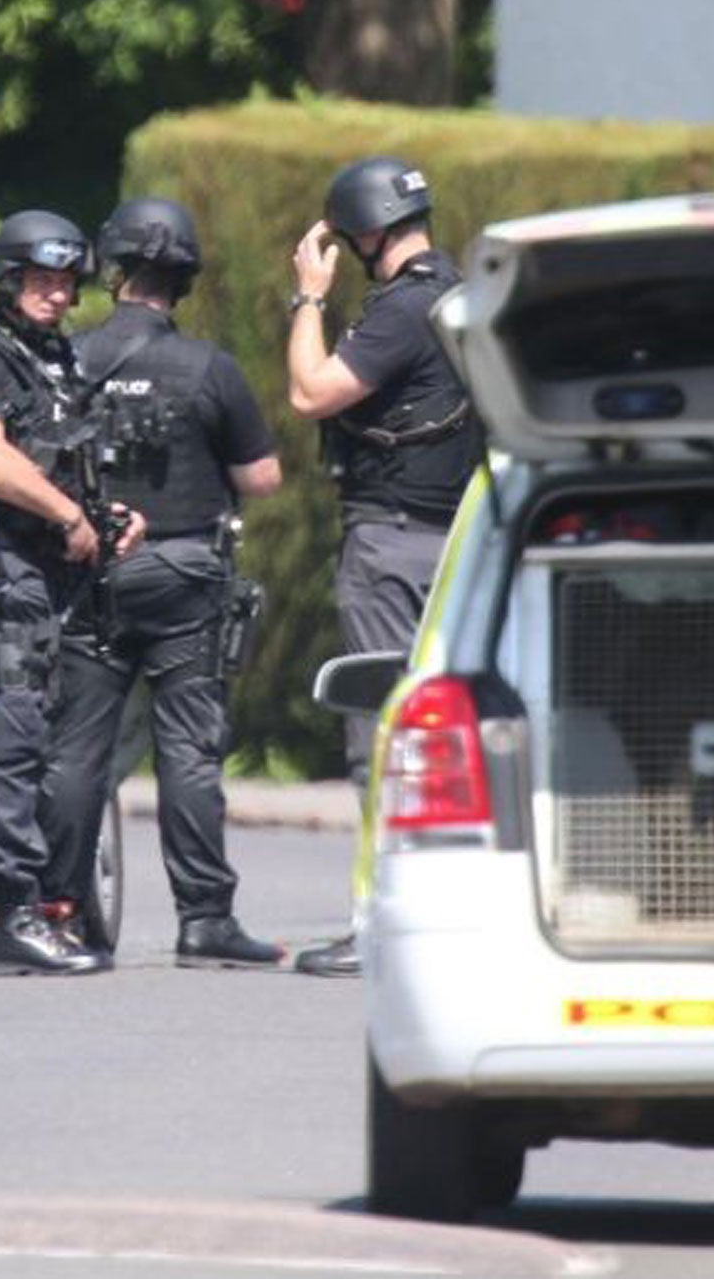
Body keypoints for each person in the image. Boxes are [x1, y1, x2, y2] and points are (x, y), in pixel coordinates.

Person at [40, 197, 286, 968]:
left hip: (92, 577)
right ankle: (205, 920)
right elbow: (264, 477)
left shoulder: (69, 361)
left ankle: (63, 911)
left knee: (78, 750)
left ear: (113, 272)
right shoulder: (209, 367)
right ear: (183, 280)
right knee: (188, 750)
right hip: (186, 576)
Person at [0, 210, 143, 977]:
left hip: (42, 571)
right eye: (43, 280)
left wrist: (103, 517)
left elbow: (57, 464)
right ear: (7, 280)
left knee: (12, 739)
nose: (59, 295)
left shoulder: (49, 361)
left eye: (68, 282)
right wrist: (67, 514)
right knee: (10, 742)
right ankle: (15, 915)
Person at [284, 156, 484, 978]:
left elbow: (309, 392)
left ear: (366, 232)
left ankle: (378, 925)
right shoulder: (468, 298)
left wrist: (308, 297)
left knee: (381, 734)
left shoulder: (404, 309)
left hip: (391, 541)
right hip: (460, 539)